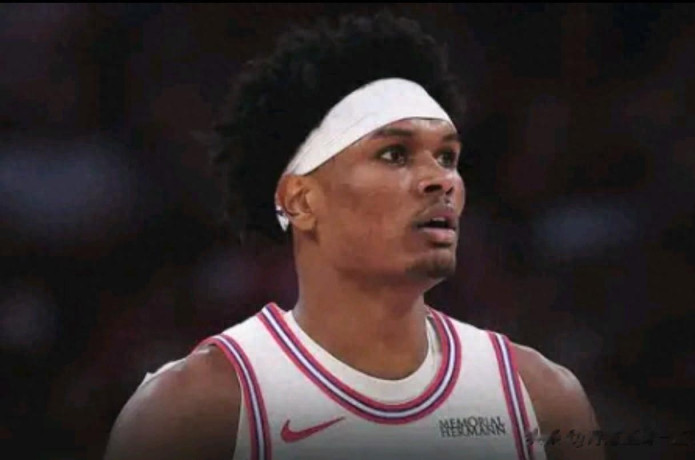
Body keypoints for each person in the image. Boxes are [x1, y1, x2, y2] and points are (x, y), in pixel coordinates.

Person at [104, 11, 603, 460]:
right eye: (394, 154)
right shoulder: (193, 411)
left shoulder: (541, 398)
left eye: (447, 156)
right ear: (301, 200)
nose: (440, 180)